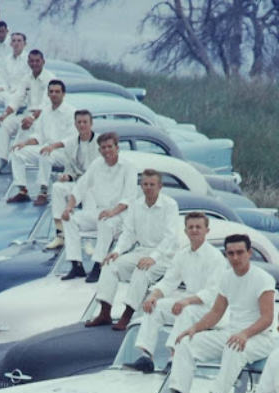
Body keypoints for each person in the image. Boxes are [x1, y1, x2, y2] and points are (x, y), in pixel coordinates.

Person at [153, 233, 277, 393]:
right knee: (185, 343)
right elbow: (217, 312)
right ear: (226, 255)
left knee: (233, 347)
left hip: (259, 337)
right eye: (231, 253)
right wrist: (193, 328)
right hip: (233, 332)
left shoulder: (263, 279)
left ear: (250, 253)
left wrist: (244, 334)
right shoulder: (227, 277)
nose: (235, 258)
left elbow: (267, 319)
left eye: (240, 253)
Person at [124, 212, 226, 372]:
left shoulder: (216, 257)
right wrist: (153, 295)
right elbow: (169, 281)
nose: (194, 230)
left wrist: (187, 301)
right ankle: (146, 357)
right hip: (188, 303)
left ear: (207, 230)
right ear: (185, 231)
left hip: (210, 308)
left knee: (186, 310)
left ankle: (174, 358)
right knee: (155, 306)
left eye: (198, 227)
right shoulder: (182, 255)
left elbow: (212, 291)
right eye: (190, 227)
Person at [84, 169, 179, 330]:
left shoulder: (170, 205)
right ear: (141, 186)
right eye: (145, 184)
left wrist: (154, 258)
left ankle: (127, 315)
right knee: (110, 264)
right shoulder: (136, 205)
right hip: (141, 251)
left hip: (166, 256)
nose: (148, 188)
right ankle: (105, 312)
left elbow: (170, 237)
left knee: (142, 270)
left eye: (152, 184)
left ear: (160, 186)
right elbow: (128, 233)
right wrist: (117, 251)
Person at [60, 132, 135, 283]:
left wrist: (112, 211)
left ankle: (98, 266)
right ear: (99, 150)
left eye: (110, 146)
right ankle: (77, 265)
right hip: (101, 211)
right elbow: (81, 187)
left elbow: (129, 197)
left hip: (122, 214)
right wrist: (69, 207)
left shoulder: (128, 167)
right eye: (103, 147)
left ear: (117, 147)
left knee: (105, 222)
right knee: (70, 220)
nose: (107, 150)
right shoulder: (96, 165)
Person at [7, 80, 76, 204]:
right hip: (47, 149)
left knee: (45, 153)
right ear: (48, 94)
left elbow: (72, 139)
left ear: (63, 94)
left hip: (64, 154)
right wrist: (25, 143)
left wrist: (53, 146)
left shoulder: (71, 112)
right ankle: (22, 191)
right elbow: (39, 135)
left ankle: (43, 192)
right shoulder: (45, 111)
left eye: (57, 92)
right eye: (51, 92)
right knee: (17, 151)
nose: (54, 94)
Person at [40, 109, 99, 249]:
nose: (82, 125)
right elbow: (70, 168)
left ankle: (88, 241)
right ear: (75, 124)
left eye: (85, 122)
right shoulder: (71, 143)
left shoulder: (99, 142)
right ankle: (61, 235)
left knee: (89, 194)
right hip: (78, 183)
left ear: (91, 123)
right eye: (79, 122)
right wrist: (67, 176)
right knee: (57, 188)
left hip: (95, 185)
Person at [0, 50, 55, 172]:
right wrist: (5, 114)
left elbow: (46, 103)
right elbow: (17, 98)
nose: (34, 64)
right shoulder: (26, 79)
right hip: (28, 115)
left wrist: (32, 118)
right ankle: (2, 159)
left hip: (44, 117)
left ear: (43, 62)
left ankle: (13, 162)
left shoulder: (50, 79)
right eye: (32, 61)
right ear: (28, 62)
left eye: (37, 61)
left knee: (25, 127)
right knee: (6, 124)